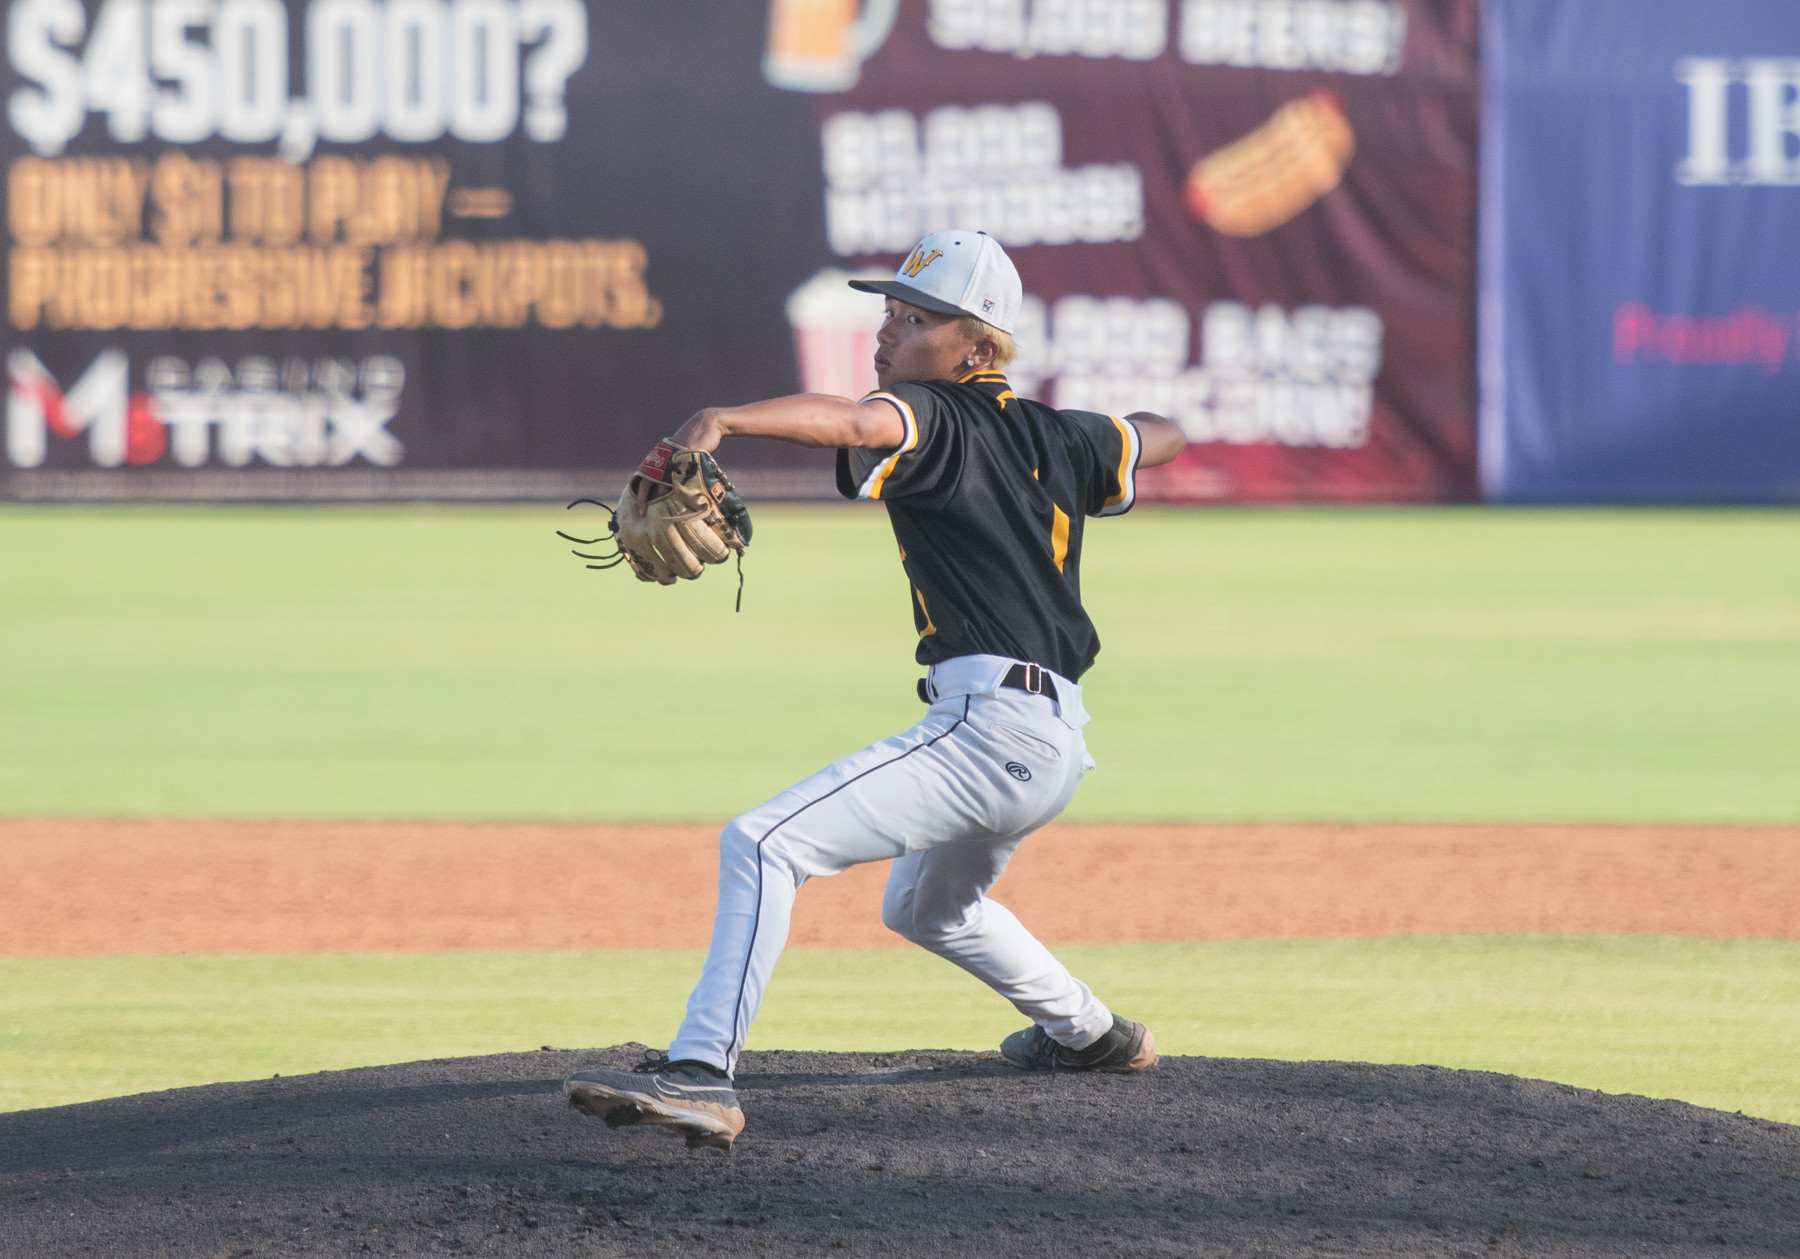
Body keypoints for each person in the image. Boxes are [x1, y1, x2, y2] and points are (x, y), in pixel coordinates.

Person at [564, 229, 1189, 1150]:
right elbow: (1163, 437)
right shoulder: (1061, 435)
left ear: (978, 346)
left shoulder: (934, 413)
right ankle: (1092, 1033)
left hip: (991, 729)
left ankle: (701, 1074)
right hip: (1052, 741)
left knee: (763, 841)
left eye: (916, 317)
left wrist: (719, 419)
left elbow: (863, 423)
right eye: (887, 312)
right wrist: (1114, 436)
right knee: (924, 906)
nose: (887, 332)